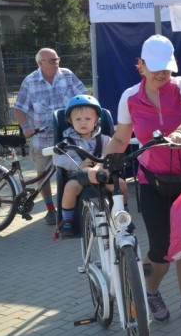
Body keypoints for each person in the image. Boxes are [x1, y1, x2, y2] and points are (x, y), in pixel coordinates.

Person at [90, 34, 181, 325]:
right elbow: (121, 138)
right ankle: (152, 292)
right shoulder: (130, 97)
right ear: (140, 65)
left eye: (166, 68)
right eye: (154, 67)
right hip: (152, 181)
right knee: (160, 249)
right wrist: (103, 164)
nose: (161, 74)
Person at [13, 47, 88, 226]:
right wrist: (25, 127)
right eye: (52, 60)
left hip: (69, 136)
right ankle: (50, 210)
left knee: (76, 168)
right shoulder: (30, 81)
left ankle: (72, 207)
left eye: (57, 59)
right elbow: (19, 107)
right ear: (40, 64)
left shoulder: (67, 75)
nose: (56, 62)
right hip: (42, 138)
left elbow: (84, 96)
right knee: (42, 175)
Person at [53, 94, 128, 239]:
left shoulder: (106, 139)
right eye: (78, 119)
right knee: (70, 188)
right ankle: (67, 220)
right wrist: (77, 164)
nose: (83, 123)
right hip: (79, 176)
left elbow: (115, 155)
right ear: (70, 121)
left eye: (88, 119)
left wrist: (110, 166)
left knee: (121, 185)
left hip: (102, 175)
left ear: (96, 121)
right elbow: (57, 159)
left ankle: (123, 214)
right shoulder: (66, 141)